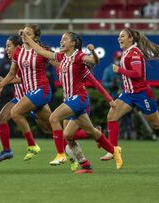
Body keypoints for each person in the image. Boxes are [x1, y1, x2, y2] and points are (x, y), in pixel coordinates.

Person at [22, 31, 123, 173]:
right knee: (80, 133)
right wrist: (27, 39)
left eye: (64, 39)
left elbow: (94, 62)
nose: (61, 41)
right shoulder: (62, 58)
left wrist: (93, 53)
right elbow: (40, 51)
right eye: (61, 39)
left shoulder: (79, 57)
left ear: (73, 43)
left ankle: (61, 154)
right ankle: (109, 153)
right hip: (70, 100)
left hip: (79, 98)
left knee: (53, 117)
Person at [0, 25, 54, 161]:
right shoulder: (19, 57)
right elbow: (13, 75)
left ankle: (85, 133)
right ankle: (7, 150)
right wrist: (3, 83)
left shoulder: (30, 57)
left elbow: (25, 77)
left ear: (17, 46)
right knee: (2, 118)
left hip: (34, 94)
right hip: (22, 96)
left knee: (50, 128)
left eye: (9, 46)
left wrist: (7, 82)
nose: (7, 49)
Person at [100, 28, 159, 161]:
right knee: (112, 116)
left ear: (131, 39)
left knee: (156, 124)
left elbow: (137, 74)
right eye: (119, 36)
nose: (119, 38)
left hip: (142, 94)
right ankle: (112, 149)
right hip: (128, 94)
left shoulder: (135, 53)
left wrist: (119, 69)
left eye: (122, 36)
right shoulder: (127, 52)